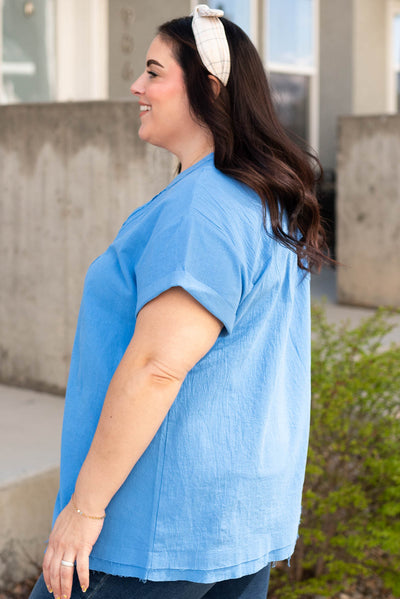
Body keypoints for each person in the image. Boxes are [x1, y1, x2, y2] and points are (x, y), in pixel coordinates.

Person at [29, 5, 331, 599]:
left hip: (157, 530)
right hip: (236, 521)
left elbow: (158, 366)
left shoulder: (205, 206)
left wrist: (85, 510)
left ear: (207, 88)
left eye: (154, 72)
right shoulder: (262, 203)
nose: (137, 87)